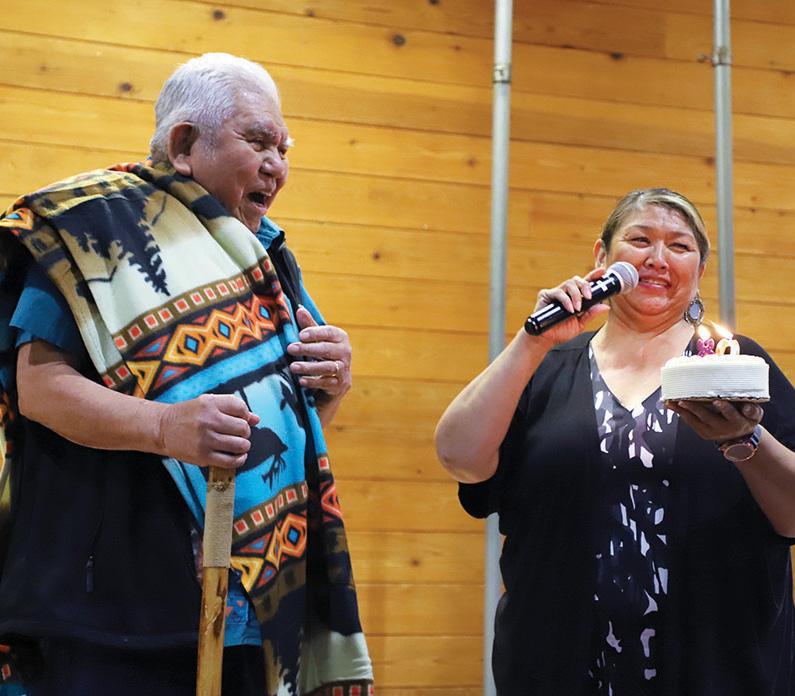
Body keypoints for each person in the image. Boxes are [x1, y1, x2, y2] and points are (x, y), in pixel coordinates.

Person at [0, 53, 373, 695]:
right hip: (104, 606)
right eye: (258, 142)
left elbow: (294, 426)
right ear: (182, 145)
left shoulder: (268, 255)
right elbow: (38, 386)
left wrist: (330, 383)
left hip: (248, 606)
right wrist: (165, 426)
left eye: (284, 150)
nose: (277, 166)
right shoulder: (90, 230)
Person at [435, 188, 795, 695]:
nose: (657, 258)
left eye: (679, 246)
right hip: (556, 671)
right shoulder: (546, 366)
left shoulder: (735, 370)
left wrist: (745, 438)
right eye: (640, 240)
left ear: (700, 272)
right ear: (601, 257)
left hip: (717, 668)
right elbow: (460, 458)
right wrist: (533, 342)